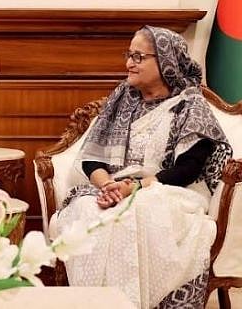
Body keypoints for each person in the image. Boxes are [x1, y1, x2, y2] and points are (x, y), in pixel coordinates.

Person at [51, 26, 232, 309]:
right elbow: (92, 158)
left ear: (166, 61)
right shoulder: (122, 99)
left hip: (167, 190)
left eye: (138, 57)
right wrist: (108, 186)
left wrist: (133, 188)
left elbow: (188, 169)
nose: (129, 63)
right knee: (87, 209)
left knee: (136, 211)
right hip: (113, 187)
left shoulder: (190, 106)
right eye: (129, 55)